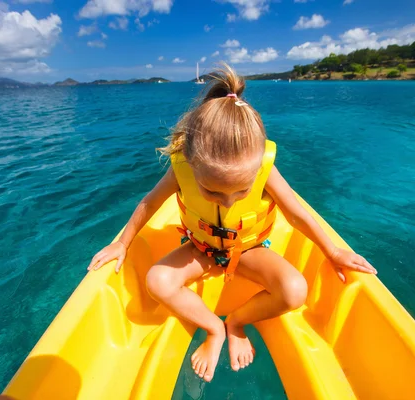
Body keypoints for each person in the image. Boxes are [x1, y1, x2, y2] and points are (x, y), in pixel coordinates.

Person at [88, 63, 377, 383]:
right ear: (192, 164)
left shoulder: (264, 167)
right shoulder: (182, 165)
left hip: (249, 249)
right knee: (157, 280)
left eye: (242, 191)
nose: (227, 202)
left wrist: (332, 251)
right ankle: (213, 327)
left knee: (295, 290)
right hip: (200, 249)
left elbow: (296, 213)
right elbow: (150, 202)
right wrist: (122, 243)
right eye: (212, 191)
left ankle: (236, 322)